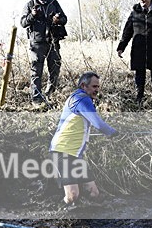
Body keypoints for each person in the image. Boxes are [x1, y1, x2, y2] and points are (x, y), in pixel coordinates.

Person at [50, 72, 118, 206]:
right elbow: (98, 124)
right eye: (94, 86)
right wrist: (113, 133)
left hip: (75, 154)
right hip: (62, 152)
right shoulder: (82, 99)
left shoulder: (78, 98)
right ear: (83, 85)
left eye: (98, 87)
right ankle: (57, 216)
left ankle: (87, 217)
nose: (97, 90)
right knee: (72, 196)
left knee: (93, 193)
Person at [20, 0, 68, 103]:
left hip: (53, 41)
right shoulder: (30, 4)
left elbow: (64, 19)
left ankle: (49, 94)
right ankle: (37, 99)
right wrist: (32, 15)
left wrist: (58, 20)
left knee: (55, 68)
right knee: (36, 71)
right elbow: (23, 23)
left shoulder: (54, 3)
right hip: (37, 43)